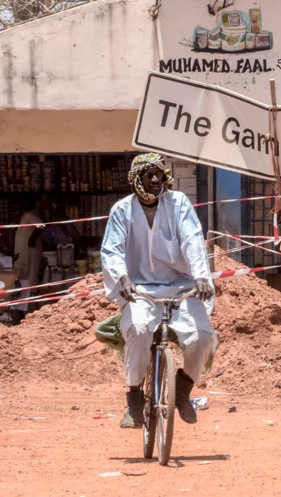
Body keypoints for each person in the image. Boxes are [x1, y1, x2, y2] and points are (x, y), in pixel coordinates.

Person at [101, 153, 216, 430]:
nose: (155, 180)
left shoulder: (178, 204)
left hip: (182, 287)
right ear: (135, 179)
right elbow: (111, 250)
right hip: (139, 289)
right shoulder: (121, 210)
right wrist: (123, 278)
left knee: (202, 338)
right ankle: (134, 399)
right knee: (139, 330)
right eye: (148, 175)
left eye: (159, 174)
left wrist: (201, 276)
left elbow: (192, 241)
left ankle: (184, 390)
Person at [13, 195, 51, 316]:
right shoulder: (28, 215)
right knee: (25, 277)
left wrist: (32, 239)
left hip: (30, 253)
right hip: (24, 253)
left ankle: (30, 311)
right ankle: (23, 309)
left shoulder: (30, 215)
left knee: (30, 277)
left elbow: (42, 226)